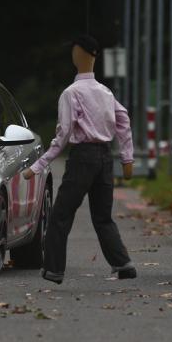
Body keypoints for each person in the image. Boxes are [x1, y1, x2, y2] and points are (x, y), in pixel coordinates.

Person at [22, 34, 137, 284]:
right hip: (105, 157)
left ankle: (53, 269)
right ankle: (123, 263)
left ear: (79, 55)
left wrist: (38, 164)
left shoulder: (71, 93)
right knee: (103, 216)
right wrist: (127, 158)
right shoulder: (105, 92)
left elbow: (63, 133)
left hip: (83, 157)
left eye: (74, 51)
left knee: (61, 214)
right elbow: (124, 119)